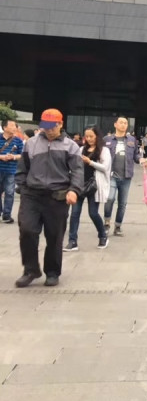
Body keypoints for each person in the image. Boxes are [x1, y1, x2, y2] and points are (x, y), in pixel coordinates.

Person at [14, 108, 83, 288]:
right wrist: (22, 187)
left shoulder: (71, 146)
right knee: (27, 231)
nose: (49, 130)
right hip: (32, 195)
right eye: (46, 126)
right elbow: (22, 168)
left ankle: (52, 272)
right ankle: (30, 270)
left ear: (61, 124)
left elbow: (77, 171)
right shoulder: (31, 143)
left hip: (57, 197)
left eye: (52, 126)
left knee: (54, 236)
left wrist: (74, 190)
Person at [64, 126, 112, 251]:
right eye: (87, 136)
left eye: (92, 136)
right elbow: (75, 166)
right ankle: (72, 241)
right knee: (75, 214)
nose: (89, 139)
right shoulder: (81, 149)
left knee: (93, 213)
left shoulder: (104, 150)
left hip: (94, 186)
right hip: (80, 185)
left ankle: (103, 236)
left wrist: (89, 162)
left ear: (97, 137)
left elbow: (105, 167)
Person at [104, 117, 146, 237]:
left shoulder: (132, 140)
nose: (123, 125)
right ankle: (106, 223)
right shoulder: (107, 139)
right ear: (115, 124)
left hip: (126, 176)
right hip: (111, 175)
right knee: (110, 198)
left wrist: (141, 160)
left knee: (122, 203)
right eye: (121, 122)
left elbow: (136, 155)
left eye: (125, 123)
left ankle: (118, 226)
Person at [0, 119, 24, 224]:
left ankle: (7, 215)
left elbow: (23, 155)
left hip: (11, 170)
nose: (15, 127)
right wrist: (1, 157)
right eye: (12, 125)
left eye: (15, 126)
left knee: (9, 193)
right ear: (5, 127)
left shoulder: (18, 141)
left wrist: (13, 157)